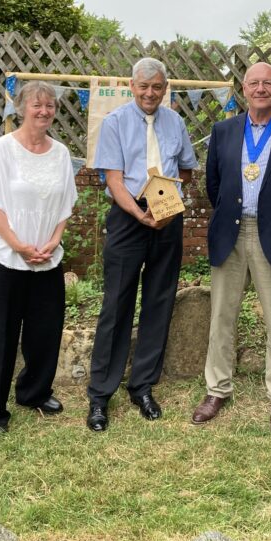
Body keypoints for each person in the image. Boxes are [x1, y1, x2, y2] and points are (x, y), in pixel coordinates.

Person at [191, 62, 271, 433]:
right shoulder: (223, 131)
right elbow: (213, 184)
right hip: (230, 231)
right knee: (221, 317)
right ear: (243, 89)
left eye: (267, 83)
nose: (260, 88)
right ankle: (217, 389)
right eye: (253, 83)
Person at [86, 57, 198, 431]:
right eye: (144, 86)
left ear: (165, 89)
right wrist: (139, 213)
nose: (150, 93)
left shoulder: (176, 122)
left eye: (157, 87)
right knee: (116, 304)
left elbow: (186, 168)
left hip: (167, 212)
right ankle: (100, 394)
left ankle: (142, 386)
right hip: (128, 215)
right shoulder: (115, 123)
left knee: (159, 301)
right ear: (132, 87)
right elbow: (114, 179)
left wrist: (171, 202)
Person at [0, 80, 77, 433]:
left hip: (45, 253)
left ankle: (34, 392)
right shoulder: (1, 149)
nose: (44, 111)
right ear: (21, 109)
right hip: (2, 251)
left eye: (50, 106)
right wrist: (17, 244)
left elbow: (65, 204)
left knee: (46, 328)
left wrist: (53, 241)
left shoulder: (60, 153)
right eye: (37, 105)